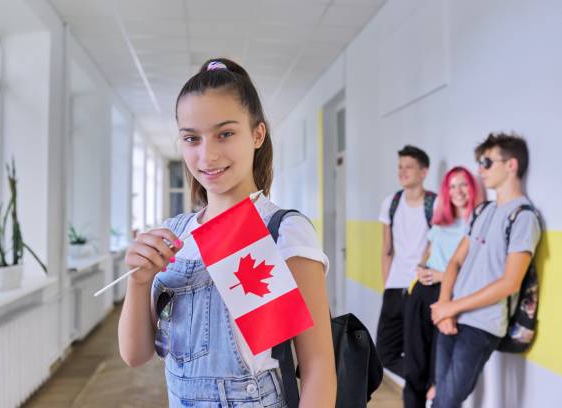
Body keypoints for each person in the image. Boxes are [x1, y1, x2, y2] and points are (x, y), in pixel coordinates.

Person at [118, 58, 336, 407]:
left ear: (257, 135)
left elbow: (318, 366)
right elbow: (135, 355)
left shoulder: (283, 231)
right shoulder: (173, 235)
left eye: (225, 133)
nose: (208, 154)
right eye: (192, 138)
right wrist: (138, 281)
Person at [430, 133, 541, 408]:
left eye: (487, 161)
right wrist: (445, 304)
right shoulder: (483, 211)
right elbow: (455, 262)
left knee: (446, 400)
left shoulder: (523, 217)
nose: (480, 169)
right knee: (441, 395)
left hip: (482, 324)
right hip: (451, 314)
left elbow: (510, 283)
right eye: (479, 162)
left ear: (511, 165)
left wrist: (452, 307)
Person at [402, 167, 483, 408]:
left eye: (463, 185)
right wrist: (421, 267)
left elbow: (473, 270)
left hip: (448, 296)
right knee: (414, 367)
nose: (458, 191)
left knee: (439, 374)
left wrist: (441, 276)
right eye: (452, 186)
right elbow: (429, 250)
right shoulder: (441, 221)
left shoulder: (477, 224)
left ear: (472, 187)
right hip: (421, 294)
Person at [377, 145, 436, 377]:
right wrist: (386, 283)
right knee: (384, 353)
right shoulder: (390, 203)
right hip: (394, 287)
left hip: (421, 288)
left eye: (408, 167)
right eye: (400, 167)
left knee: (417, 349)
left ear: (423, 172)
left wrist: (421, 270)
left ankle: (423, 388)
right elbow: (386, 248)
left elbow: (436, 244)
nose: (402, 172)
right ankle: (425, 381)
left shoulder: (435, 204)